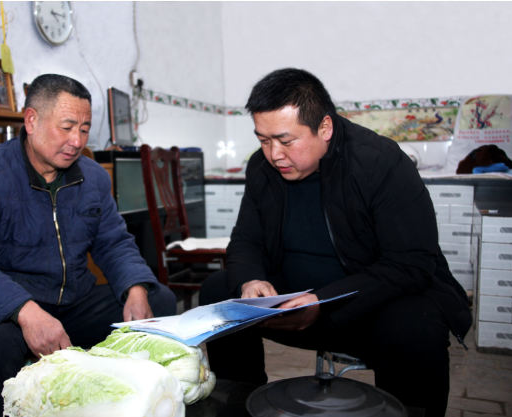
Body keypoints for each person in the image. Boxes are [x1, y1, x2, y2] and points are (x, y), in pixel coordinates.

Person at [199, 68, 472, 417]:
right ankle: (240, 406)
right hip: (294, 305)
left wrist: (323, 301)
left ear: (324, 128)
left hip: (365, 310)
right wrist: (250, 281)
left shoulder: (379, 162)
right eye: (263, 140)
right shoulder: (261, 168)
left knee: (415, 322)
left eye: (285, 141)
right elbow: (246, 240)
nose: (274, 154)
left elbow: (411, 264)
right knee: (218, 291)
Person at [0, 74, 176, 417]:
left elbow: (113, 242)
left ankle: (125, 404)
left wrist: (135, 288)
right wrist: (26, 312)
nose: (76, 141)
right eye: (66, 127)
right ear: (31, 120)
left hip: (74, 302)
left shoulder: (93, 177)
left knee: (159, 301)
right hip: (12, 308)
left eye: (84, 129)